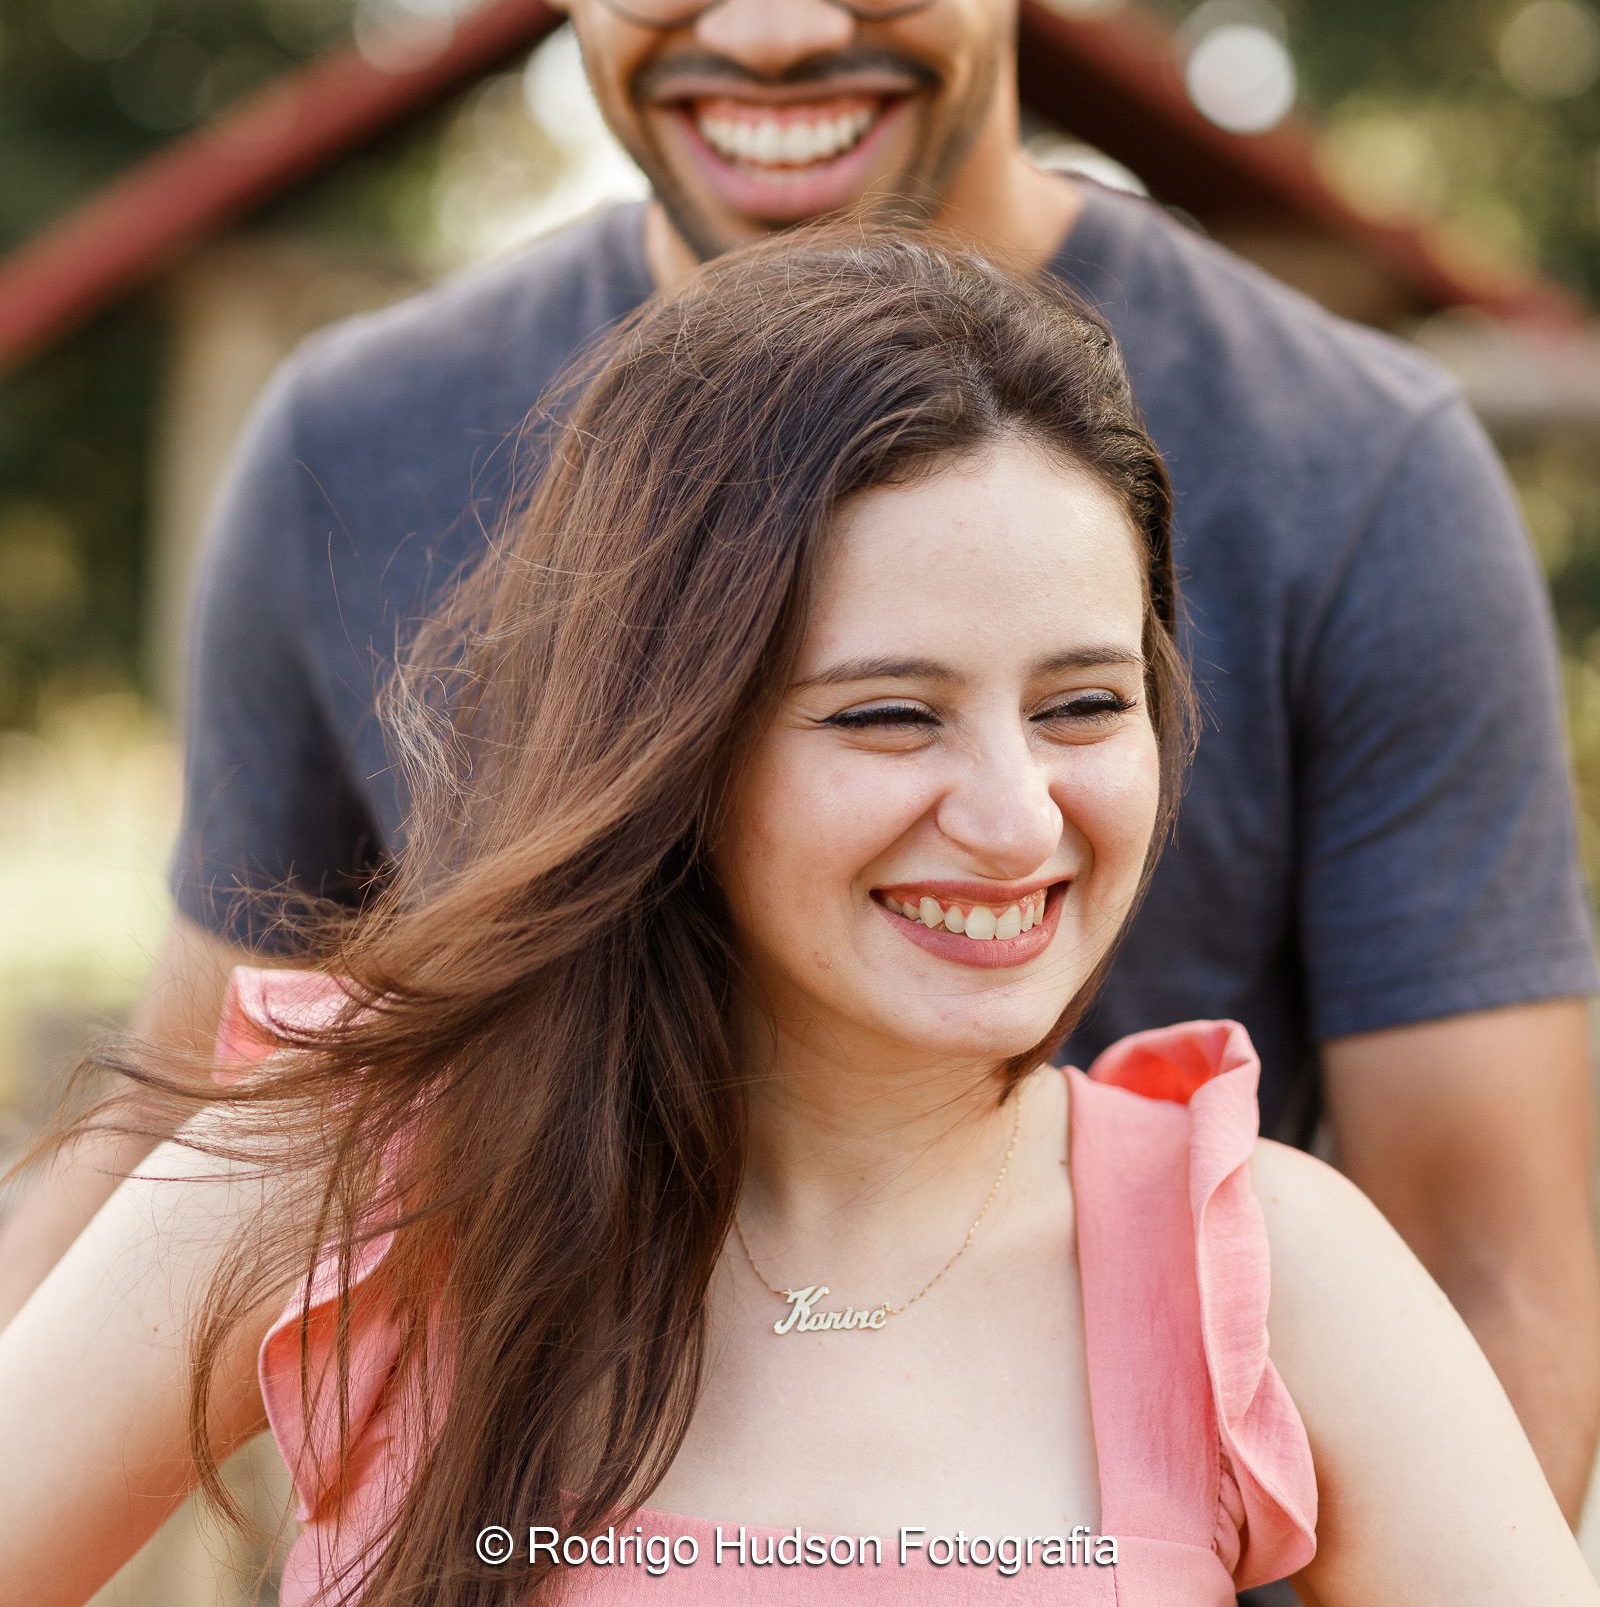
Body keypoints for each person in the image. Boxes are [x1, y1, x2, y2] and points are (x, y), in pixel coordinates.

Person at [1, 0, 1597, 1550]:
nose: (764, 24)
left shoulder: (1353, 468)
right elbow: (196, 1171)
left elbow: (1494, 1289)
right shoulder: (353, 446)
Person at [2, 238, 1596, 1607]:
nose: (1018, 815)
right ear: (669, 741)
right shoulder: (327, 1186)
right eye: (890, 715)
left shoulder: (1265, 1268)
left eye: (1083, 704)